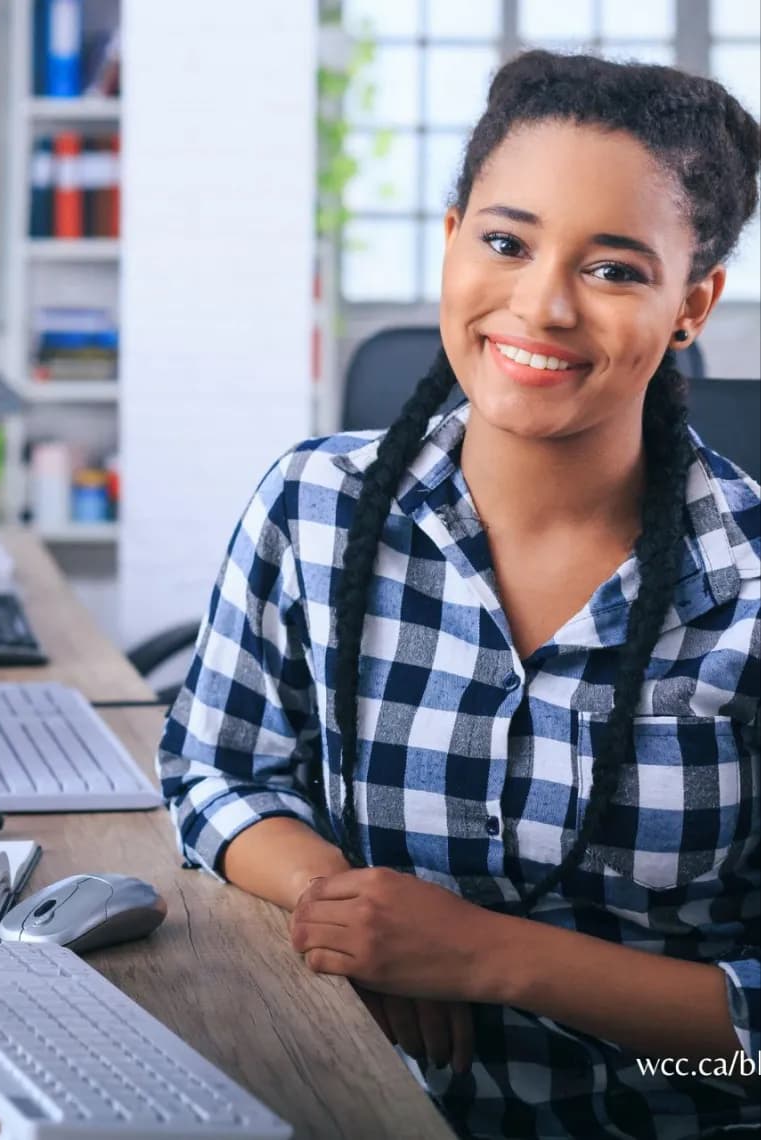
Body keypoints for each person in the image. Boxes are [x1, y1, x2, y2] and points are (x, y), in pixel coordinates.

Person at [157, 50, 760, 1140]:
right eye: (503, 242)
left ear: (690, 305)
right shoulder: (314, 506)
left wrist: (484, 959)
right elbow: (213, 769)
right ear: (450, 242)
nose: (538, 304)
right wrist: (343, 911)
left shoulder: (747, 589)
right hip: (343, 1102)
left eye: (613, 269)